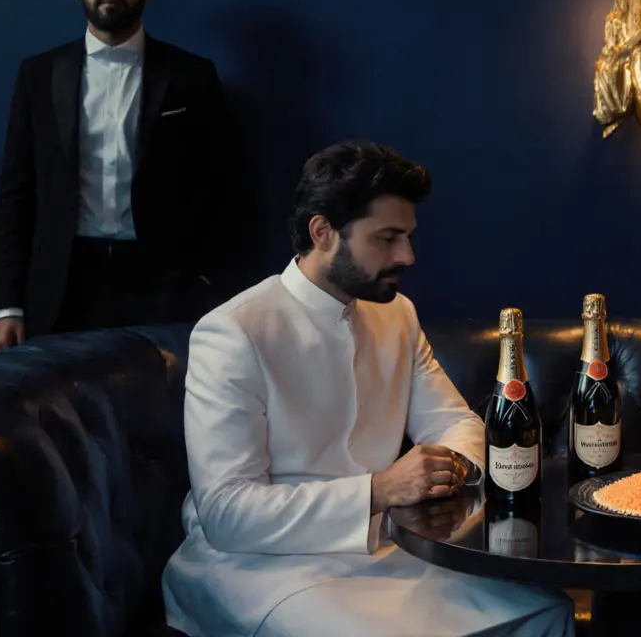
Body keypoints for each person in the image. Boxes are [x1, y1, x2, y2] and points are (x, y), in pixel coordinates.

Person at [161, 141, 575, 637]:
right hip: (257, 565)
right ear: (323, 232)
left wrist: (451, 469)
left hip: (387, 547)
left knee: (545, 609)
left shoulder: (396, 313)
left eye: (409, 237)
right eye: (388, 238)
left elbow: (456, 423)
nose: (408, 255)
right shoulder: (234, 330)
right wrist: (381, 490)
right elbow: (228, 512)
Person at [0, 0, 238, 350]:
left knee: (156, 413)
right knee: (56, 411)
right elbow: (17, 194)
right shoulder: (39, 75)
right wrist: (7, 306)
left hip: (161, 287)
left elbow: (225, 190)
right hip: (61, 286)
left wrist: (210, 287)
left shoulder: (192, 76)